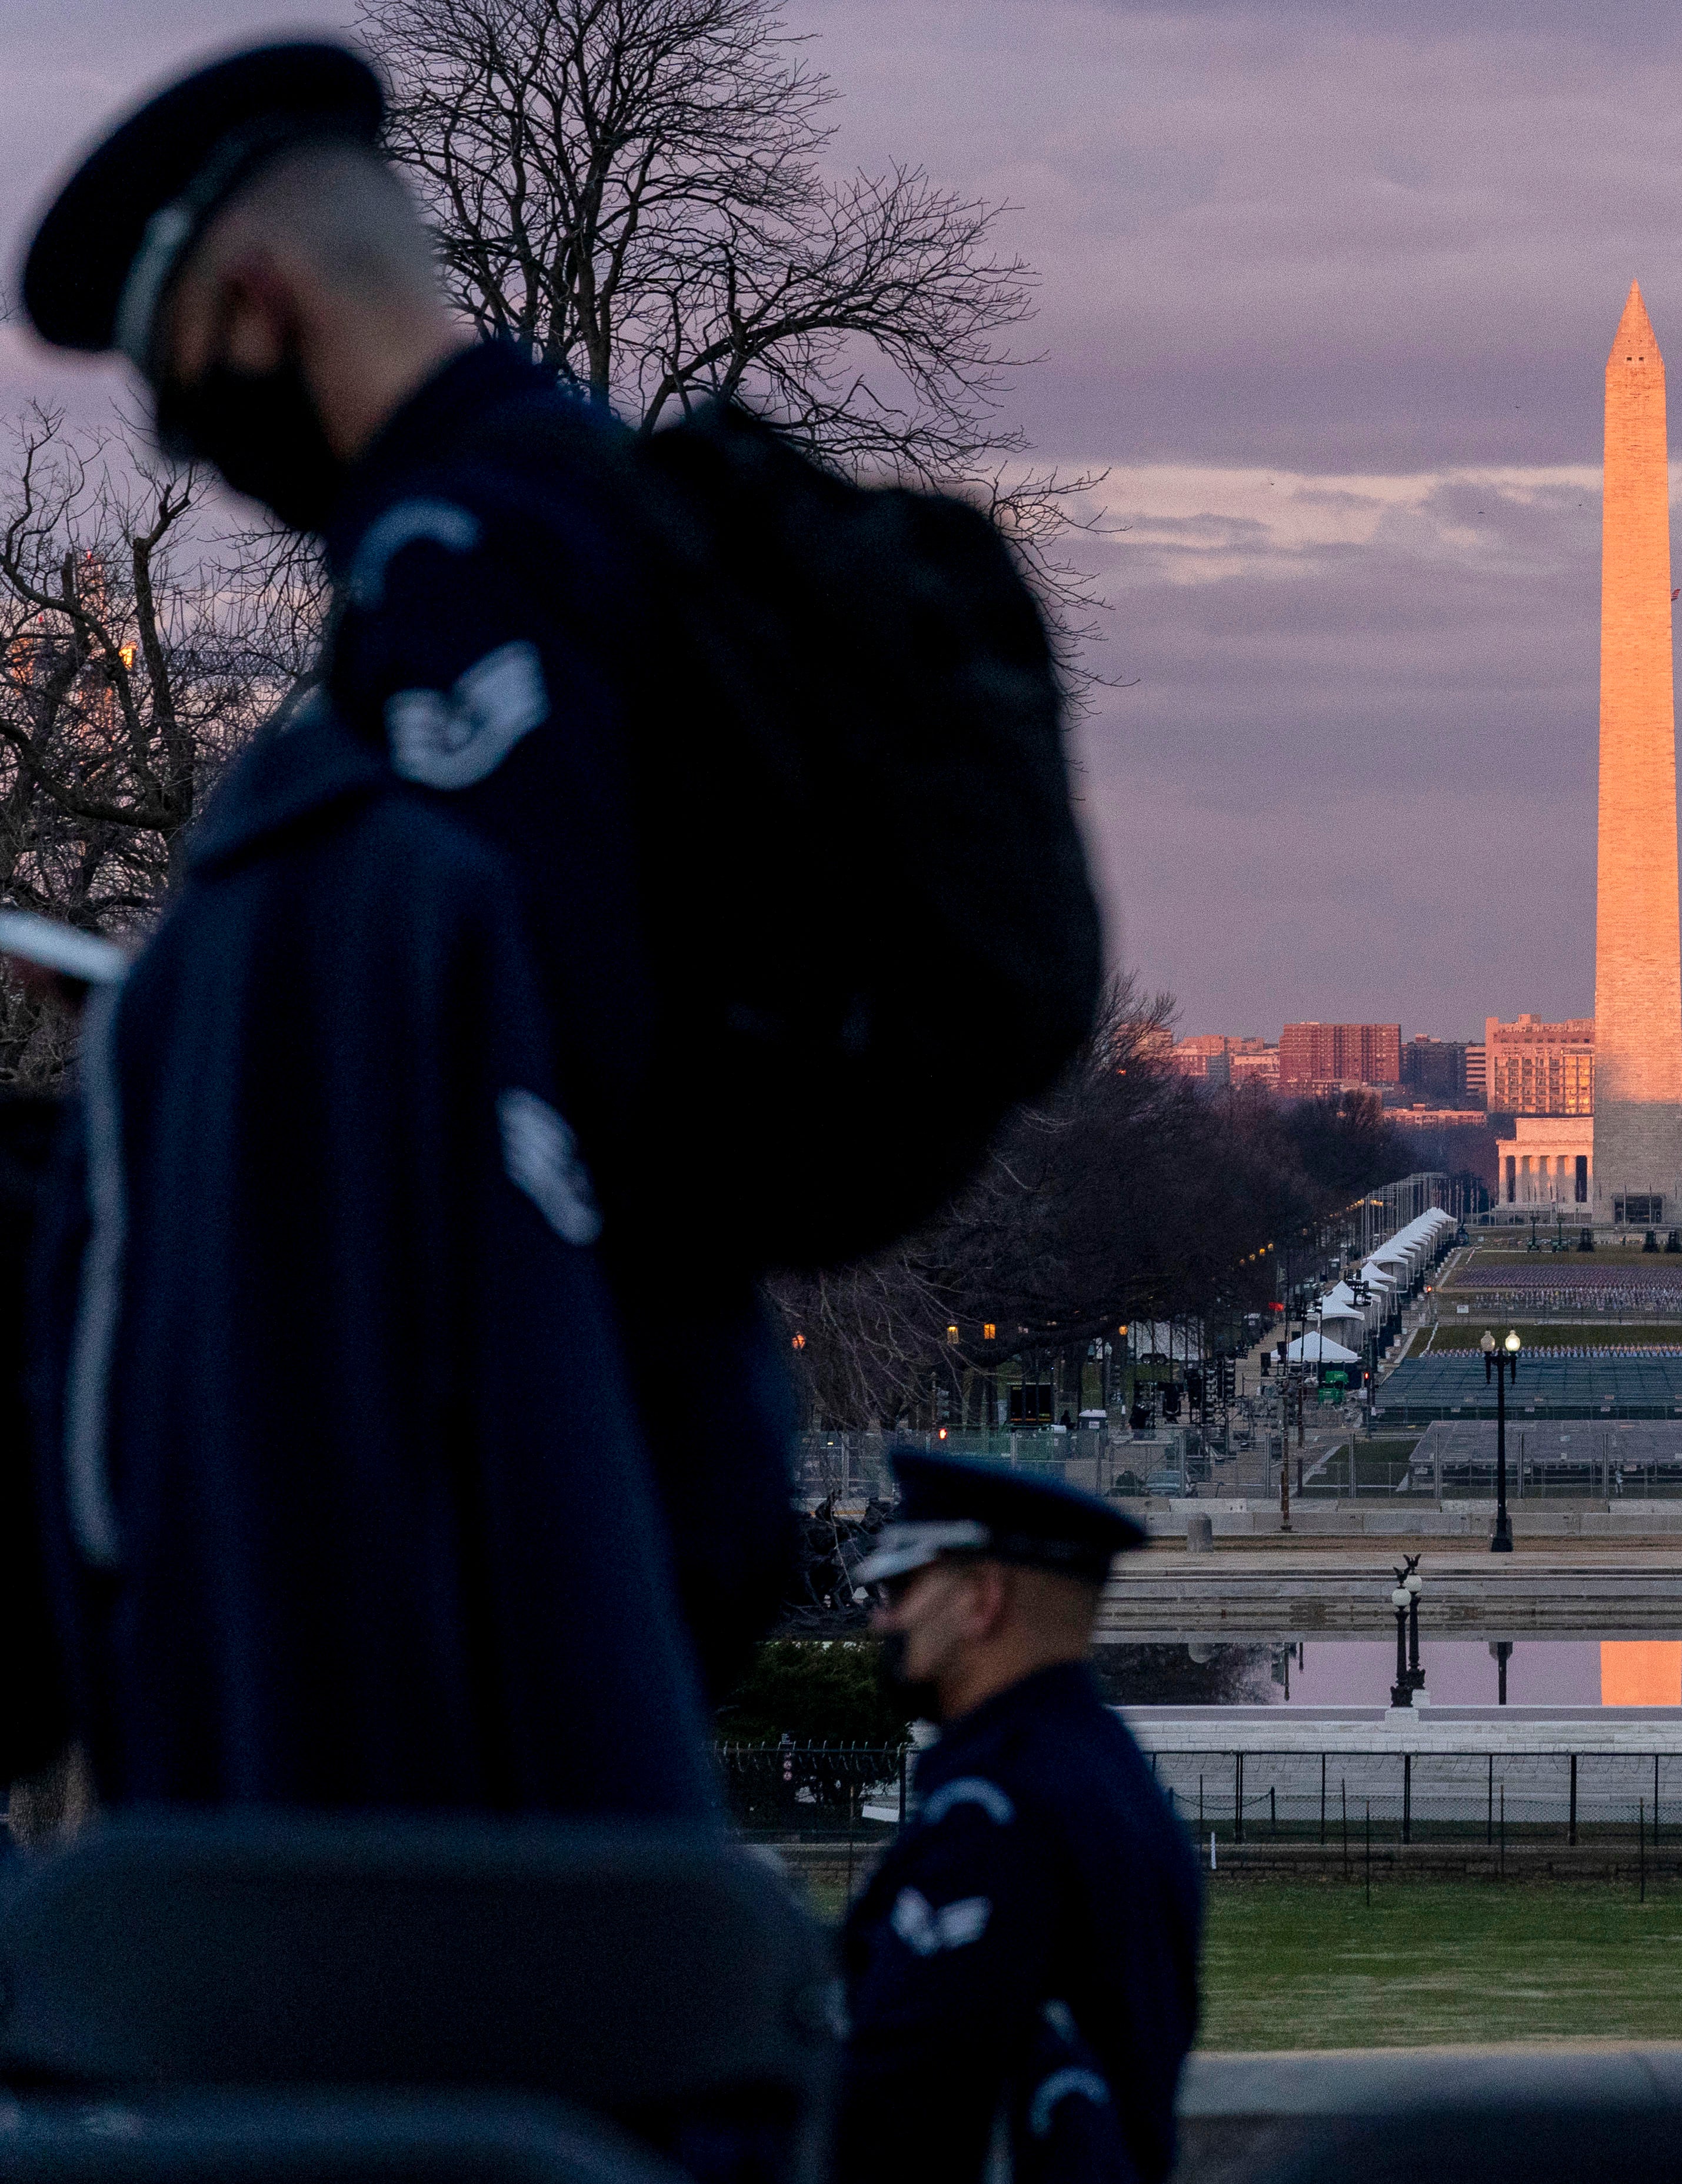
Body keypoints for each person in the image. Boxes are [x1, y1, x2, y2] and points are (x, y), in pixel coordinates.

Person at [7, 41, 795, 1805]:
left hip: (510, 1532)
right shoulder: (578, 513)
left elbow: (497, 1070)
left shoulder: (477, 568)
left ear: (260, 301)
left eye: (183, 390)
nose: (197, 455)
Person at [838, 1451, 1200, 2184]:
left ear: (981, 1599)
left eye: (903, 1585)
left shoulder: (997, 1812)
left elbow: (895, 2097)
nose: (884, 1617)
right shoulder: (1108, 1773)